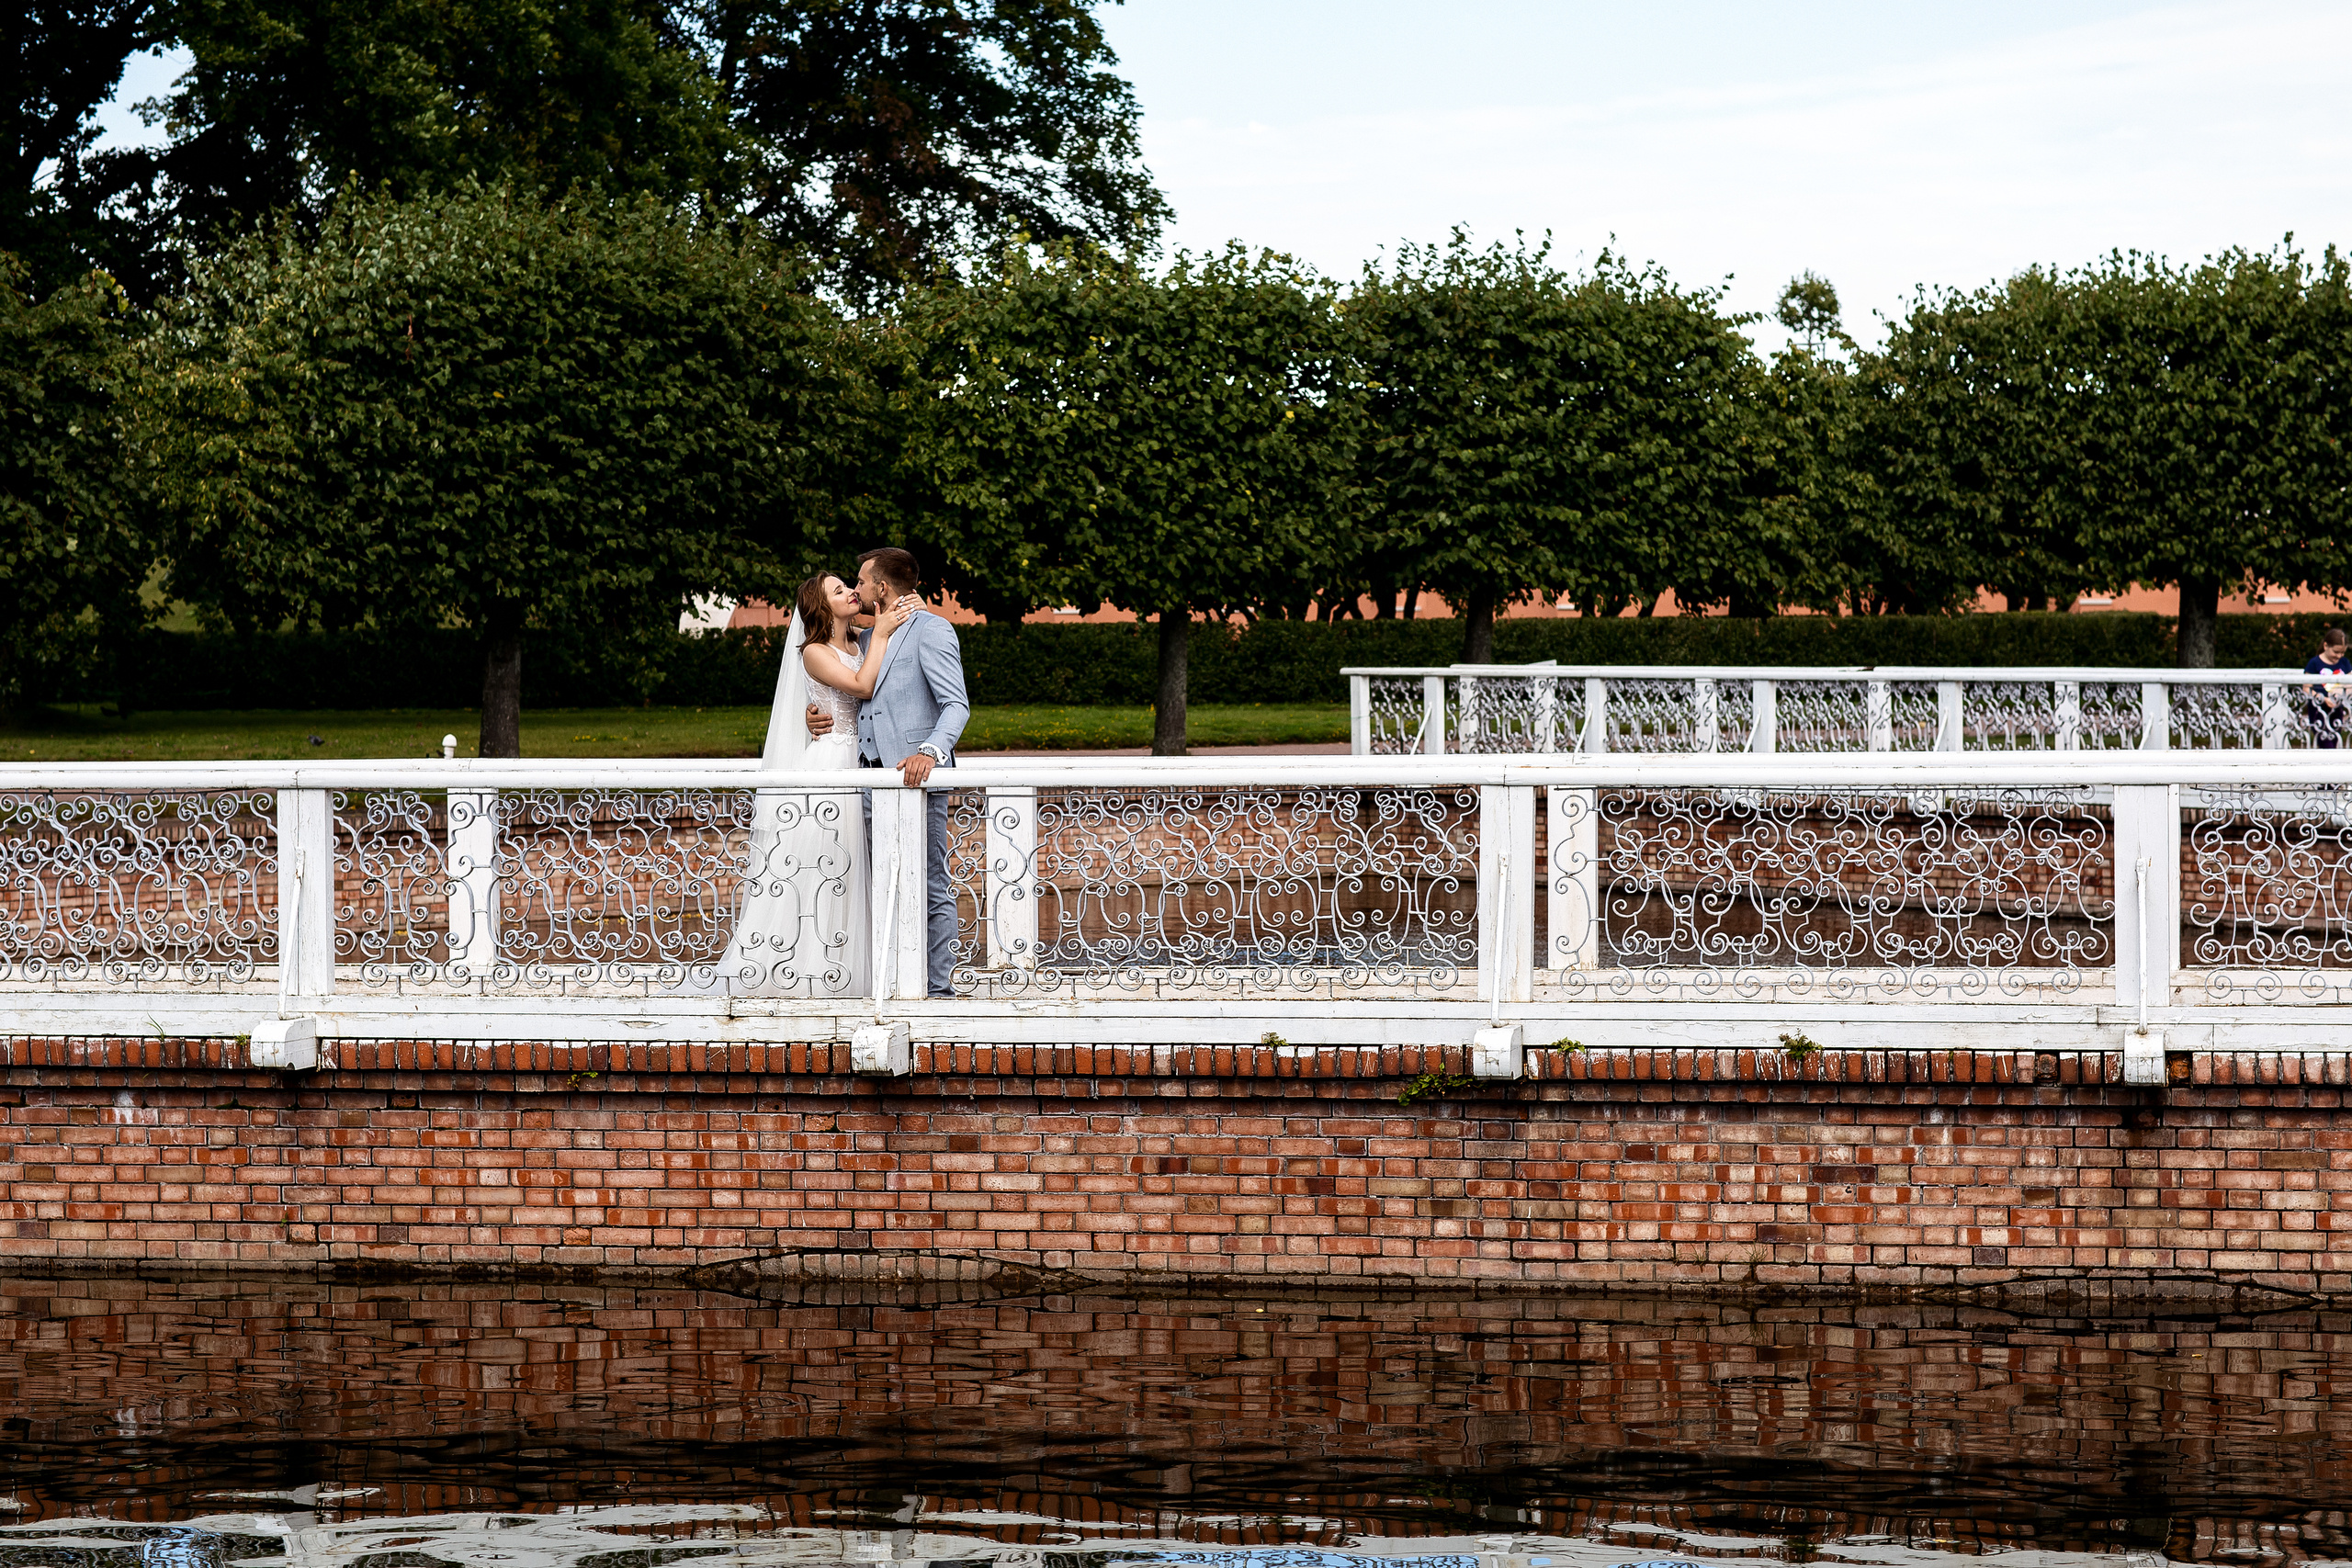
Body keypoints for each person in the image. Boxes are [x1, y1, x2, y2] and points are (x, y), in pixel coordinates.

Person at [722, 572, 915, 995]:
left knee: (857, 867)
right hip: (831, 764)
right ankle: (808, 971)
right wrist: (880, 632)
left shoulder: (858, 638)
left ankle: (857, 970)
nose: (851, 592)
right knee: (828, 865)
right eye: (839, 591)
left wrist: (885, 622)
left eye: (850, 585)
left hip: (863, 760)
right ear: (821, 606)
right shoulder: (814, 651)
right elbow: (863, 686)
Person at [804, 547, 971, 998]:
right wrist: (812, 713)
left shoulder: (932, 630)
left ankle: (938, 990)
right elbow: (841, 676)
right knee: (878, 884)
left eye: (860, 582)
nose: (855, 590)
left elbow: (957, 705)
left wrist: (931, 752)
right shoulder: (864, 634)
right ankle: (893, 980)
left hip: (916, 778)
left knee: (931, 882)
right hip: (867, 779)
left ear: (881, 587)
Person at [2306, 627, 2352, 748]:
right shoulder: (2314, 663)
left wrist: (2342, 695)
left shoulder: (2345, 663)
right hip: (2318, 710)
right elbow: (2306, 688)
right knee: (2325, 743)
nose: (2339, 656)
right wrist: (2322, 698)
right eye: (2336, 652)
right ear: (2326, 646)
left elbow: (2350, 683)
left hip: (2337, 709)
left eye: (2342, 652)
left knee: (2335, 740)